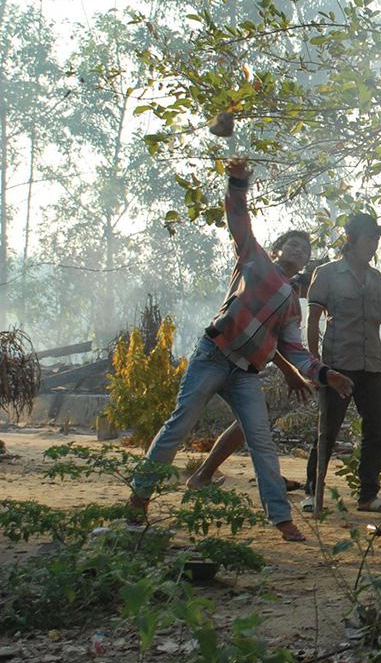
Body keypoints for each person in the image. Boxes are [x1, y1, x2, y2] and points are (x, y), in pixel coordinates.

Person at [128, 159, 354, 541]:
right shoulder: (255, 259)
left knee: (262, 441)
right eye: (293, 243)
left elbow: (295, 351)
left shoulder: (291, 302)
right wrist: (237, 183)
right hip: (212, 355)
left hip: (246, 372)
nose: (299, 249)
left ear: (306, 262)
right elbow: (238, 220)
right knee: (179, 425)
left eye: (306, 247)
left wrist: (322, 373)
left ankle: (281, 519)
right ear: (280, 247)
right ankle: (140, 496)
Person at [186, 265, 323, 492]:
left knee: (250, 425)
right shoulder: (284, 294)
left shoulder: (288, 297)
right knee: (249, 424)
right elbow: (267, 340)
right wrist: (292, 372)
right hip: (231, 363)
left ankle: (207, 475)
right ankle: (205, 475)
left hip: (246, 364)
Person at [304, 211, 381, 513]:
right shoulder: (328, 273)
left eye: (376, 238)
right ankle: (312, 492)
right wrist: (315, 365)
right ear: (352, 239)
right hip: (338, 364)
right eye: (370, 237)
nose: (374, 243)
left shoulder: (377, 278)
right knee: (328, 430)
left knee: (377, 429)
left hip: (371, 364)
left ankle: (368, 496)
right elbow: (313, 320)